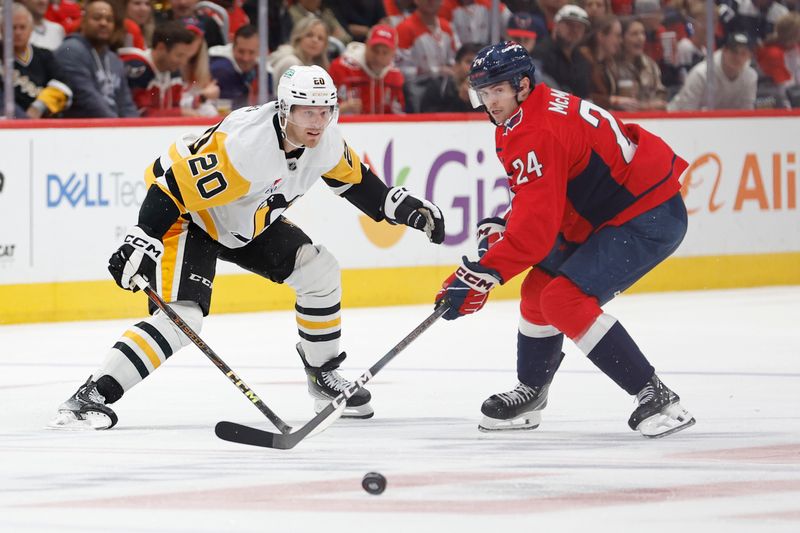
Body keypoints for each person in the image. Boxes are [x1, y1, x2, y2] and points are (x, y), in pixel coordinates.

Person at [49, 65, 445, 430]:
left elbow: (356, 183)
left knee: (319, 271)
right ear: (285, 109)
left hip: (247, 220)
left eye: (326, 111)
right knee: (183, 317)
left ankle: (322, 376)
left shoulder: (324, 141)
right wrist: (144, 237)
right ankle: (91, 394)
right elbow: (171, 188)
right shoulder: (245, 147)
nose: (318, 122)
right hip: (194, 219)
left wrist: (400, 206)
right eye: (308, 112)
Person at [434, 41, 695, 439]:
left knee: (562, 299)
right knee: (538, 292)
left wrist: (482, 273)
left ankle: (656, 395)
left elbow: (537, 234)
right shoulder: (526, 115)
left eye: (498, 91)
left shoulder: (536, 130)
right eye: (483, 94)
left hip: (647, 214)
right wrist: (507, 228)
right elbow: (541, 199)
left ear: (522, 85)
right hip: (608, 213)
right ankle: (532, 392)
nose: (490, 103)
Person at [55, 0, 138, 118]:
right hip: (83, 129)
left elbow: (126, 104)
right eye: (97, 18)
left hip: (113, 128)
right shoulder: (71, 50)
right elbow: (87, 99)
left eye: (109, 19)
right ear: (83, 22)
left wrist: (135, 128)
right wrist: (118, 127)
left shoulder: (114, 60)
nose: (103, 23)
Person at [0, 2, 72, 118]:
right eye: (13, 28)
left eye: (22, 27)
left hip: (44, 124)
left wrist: (39, 106)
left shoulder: (44, 55)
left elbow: (64, 86)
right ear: (2, 30)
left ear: (31, 30)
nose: (18, 32)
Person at [120, 21, 197, 116]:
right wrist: (179, 113)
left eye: (186, 57)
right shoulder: (138, 67)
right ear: (161, 48)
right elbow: (139, 114)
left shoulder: (174, 73)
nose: (183, 62)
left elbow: (175, 106)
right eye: (179, 55)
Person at [668, 32, 758, 110]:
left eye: (743, 53)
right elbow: (686, 111)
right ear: (724, 51)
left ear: (749, 55)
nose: (738, 57)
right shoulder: (701, 74)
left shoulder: (750, 77)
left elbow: (747, 111)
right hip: (675, 121)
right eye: (734, 51)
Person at [329, 24, 406, 115]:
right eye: (375, 50)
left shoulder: (395, 76)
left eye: (385, 52)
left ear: (393, 53)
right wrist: (340, 109)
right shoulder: (341, 68)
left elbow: (399, 116)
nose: (378, 57)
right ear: (366, 44)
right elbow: (319, 110)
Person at [532, 4, 592, 98]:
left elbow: (584, 93)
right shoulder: (541, 52)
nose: (575, 30)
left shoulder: (581, 58)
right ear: (556, 25)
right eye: (569, 25)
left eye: (579, 27)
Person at [613, 17, 667, 110]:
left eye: (643, 33)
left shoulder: (650, 64)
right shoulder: (612, 66)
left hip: (651, 119)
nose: (641, 38)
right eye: (634, 34)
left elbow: (661, 96)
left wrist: (649, 106)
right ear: (621, 38)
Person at [269, 16, 330, 90]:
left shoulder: (315, 65)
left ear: (325, 45)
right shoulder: (290, 62)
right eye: (309, 35)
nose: (315, 40)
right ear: (298, 38)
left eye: (320, 38)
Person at [419, 41, 482, 112]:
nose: (474, 67)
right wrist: (461, 100)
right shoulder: (438, 88)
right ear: (456, 65)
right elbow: (428, 119)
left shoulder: (492, 89)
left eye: (479, 63)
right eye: (469, 62)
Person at [209, 24, 259, 110]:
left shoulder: (265, 72)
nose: (245, 58)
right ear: (232, 47)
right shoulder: (221, 68)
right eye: (241, 51)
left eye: (251, 52)